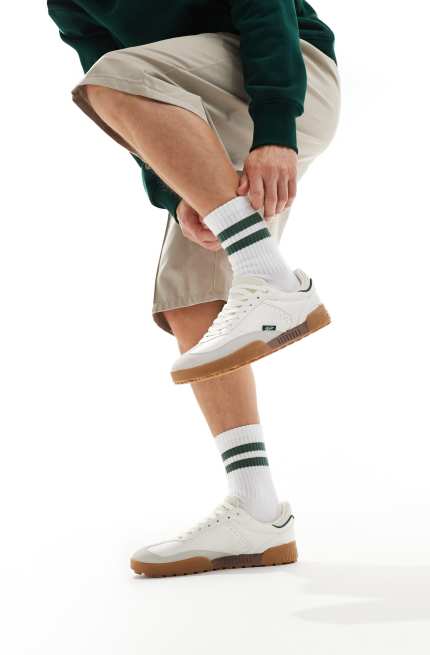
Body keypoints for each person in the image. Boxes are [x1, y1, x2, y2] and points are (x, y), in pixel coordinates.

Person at [48, 0, 341, 577]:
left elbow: (267, 11)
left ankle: (270, 277)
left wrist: (276, 132)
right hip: (199, 106)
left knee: (109, 79)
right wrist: (177, 192)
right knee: (190, 297)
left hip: (289, 75)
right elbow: (126, 118)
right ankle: (257, 510)